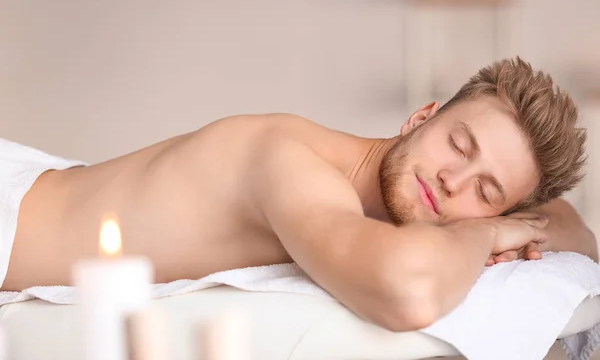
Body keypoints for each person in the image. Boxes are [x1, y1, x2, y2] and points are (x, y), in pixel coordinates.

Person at [0, 57, 596, 332]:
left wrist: (516, 223)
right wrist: (486, 230)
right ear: (421, 117)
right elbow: (407, 292)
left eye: (485, 190)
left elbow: (572, 231)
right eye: (458, 145)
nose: (452, 181)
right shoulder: (289, 161)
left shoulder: (379, 195)